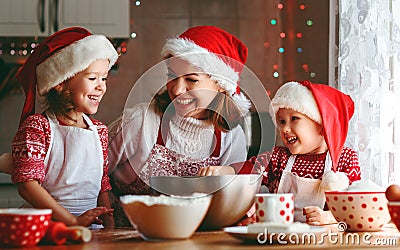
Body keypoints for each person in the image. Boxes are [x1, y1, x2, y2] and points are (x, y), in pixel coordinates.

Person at [108, 26, 251, 226]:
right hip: (128, 238)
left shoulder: (230, 134)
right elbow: (93, 175)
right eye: (171, 75)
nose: (177, 89)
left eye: (191, 80)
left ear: (220, 85)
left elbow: (233, 196)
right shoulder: (140, 122)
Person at [11, 27, 119, 228]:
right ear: (59, 82)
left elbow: (102, 185)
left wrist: (108, 224)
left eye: (104, 78)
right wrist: (72, 221)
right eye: (92, 78)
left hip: (91, 228)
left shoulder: (100, 131)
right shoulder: (37, 127)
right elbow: (27, 186)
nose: (101, 86)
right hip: (49, 227)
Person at [240, 80, 361, 225]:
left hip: (325, 242)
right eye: (282, 121)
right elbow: (247, 170)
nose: (284, 129)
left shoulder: (345, 159)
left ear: (323, 125)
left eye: (294, 119)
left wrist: (329, 218)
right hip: (282, 240)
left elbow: (356, 206)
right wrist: (223, 169)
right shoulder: (278, 157)